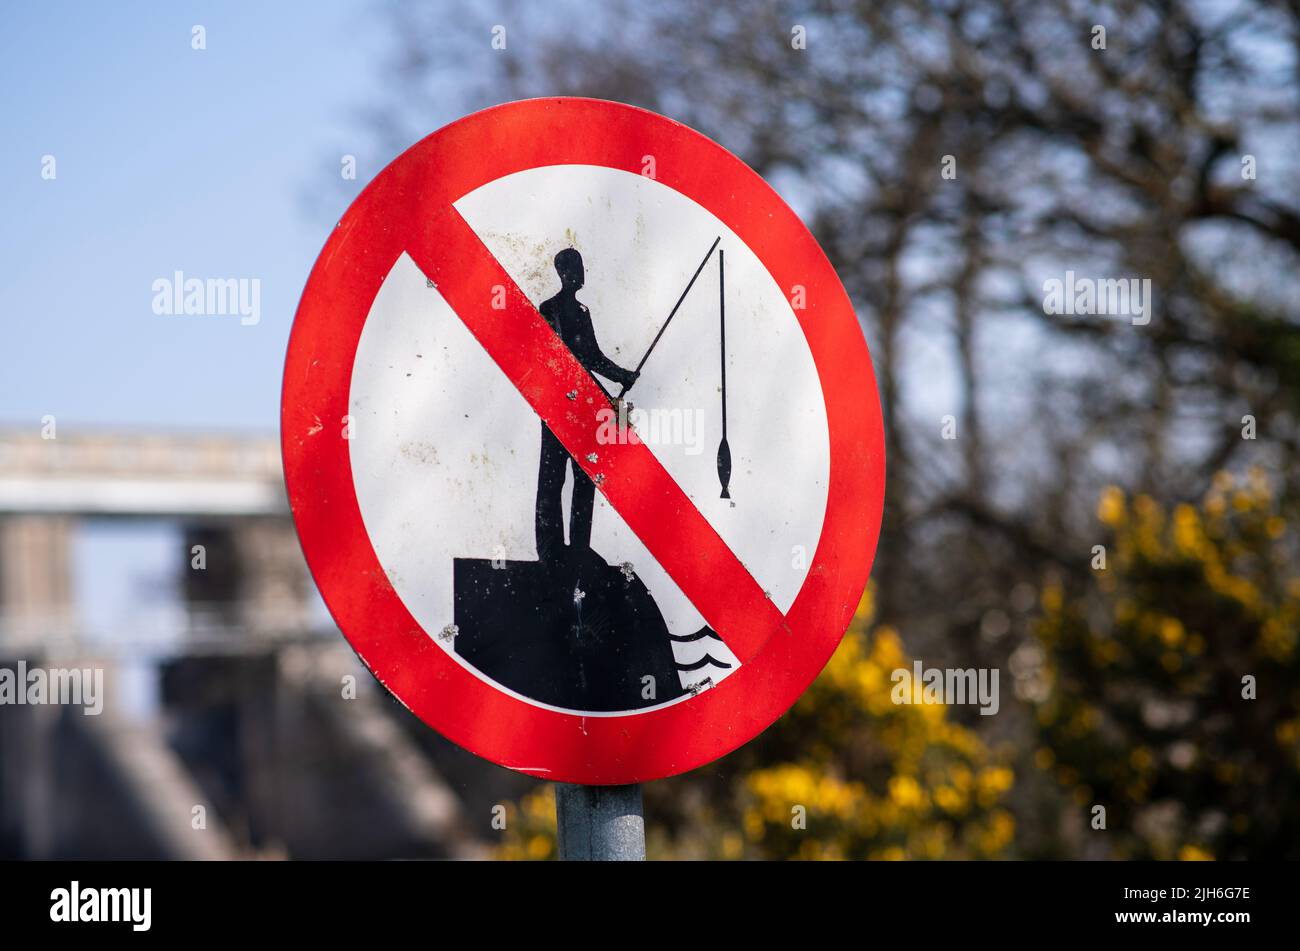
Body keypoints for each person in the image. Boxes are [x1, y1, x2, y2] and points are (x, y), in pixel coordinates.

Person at [535, 248, 637, 560]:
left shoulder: (582, 313)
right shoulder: (548, 309)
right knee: (553, 479)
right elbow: (552, 359)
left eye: (582, 265)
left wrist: (622, 376)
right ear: (564, 272)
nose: (582, 271)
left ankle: (579, 548)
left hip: (584, 409)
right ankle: (549, 550)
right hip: (557, 406)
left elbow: (592, 356)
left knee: (584, 477)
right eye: (576, 266)